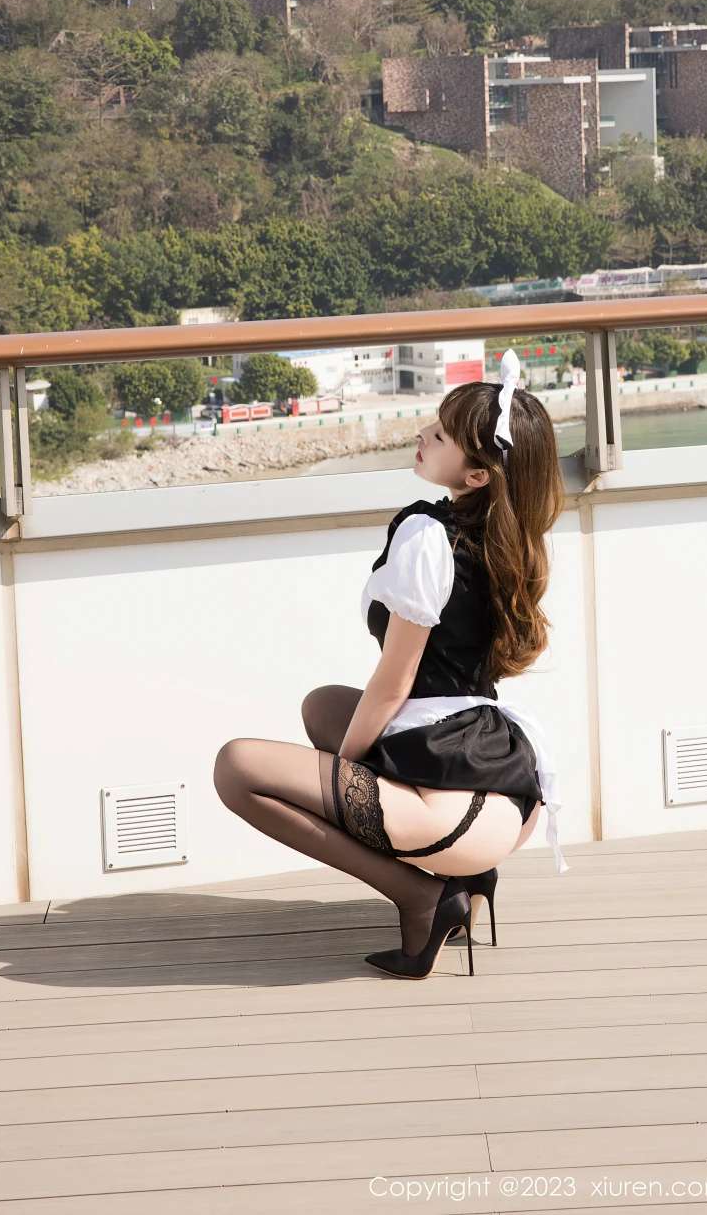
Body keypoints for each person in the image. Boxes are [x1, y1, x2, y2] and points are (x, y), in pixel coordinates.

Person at [213, 347, 569, 980]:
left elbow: (394, 680)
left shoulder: (428, 537)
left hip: (454, 815)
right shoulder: (507, 533)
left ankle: (421, 897)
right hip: (505, 789)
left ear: (477, 475)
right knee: (322, 705)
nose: (422, 434)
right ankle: (466, 880)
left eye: (441, 435)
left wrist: (343, 772)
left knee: (236, 768)